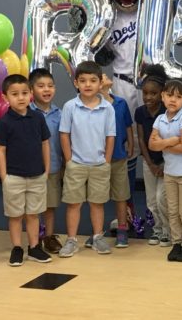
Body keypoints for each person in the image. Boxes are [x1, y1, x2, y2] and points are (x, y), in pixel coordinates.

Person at [57, 61, 116, 257]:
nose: (88, 85)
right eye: (83, 81)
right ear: (76, 83)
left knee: (97, 203)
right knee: (74, 203)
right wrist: (69, 160)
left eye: (93, 81)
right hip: (77, 164)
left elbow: (110, 136)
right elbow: (64, 134)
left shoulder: (108, 108)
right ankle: (72, 239)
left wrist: (106, 160)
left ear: (101, 84)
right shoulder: (70, 106)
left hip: (99, 164)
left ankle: (98, 237)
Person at [0, 74, 53, 267]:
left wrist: (46, 169)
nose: (21, 98)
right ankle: (17, 247)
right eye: (15, 94)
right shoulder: (4, 122)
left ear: (30, 94)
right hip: (14, 177)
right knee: (15, 215)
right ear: (5, 98)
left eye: (25, 93)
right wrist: (4, 176)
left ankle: (34, 247)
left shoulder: (37, 118)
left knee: (34, 214)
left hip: (37, 175)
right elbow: (1, 150)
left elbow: (45, 143)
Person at [149, 79, 182, 262]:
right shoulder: (160, 119)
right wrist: (170, 141)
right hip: (170, 172)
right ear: (163, 96)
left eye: (178, 97)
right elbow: (151, 145)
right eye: (169, 95)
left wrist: (162, 144)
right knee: (172, 210)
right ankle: (176, 242)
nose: (173, 100)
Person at [29, 68, 65, 254]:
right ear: (31, 89)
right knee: (32, 208)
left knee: (50, 205)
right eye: (41, 86)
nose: (46, 89)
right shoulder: (26, 113)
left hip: (53, 167)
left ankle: (49, 237)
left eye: (50, 86)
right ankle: (33, 241)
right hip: (31, 169)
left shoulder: (60, 114)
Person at [99, 73, 135, 249]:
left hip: (119, 155)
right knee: (96, 197)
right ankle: (97, 233)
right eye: (102, 76)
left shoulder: (120, 102)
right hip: (97, 157)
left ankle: (122, 229)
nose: (106, 76)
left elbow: (127, 125)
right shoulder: (93, 104)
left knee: (121, 195)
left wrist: (131, 143)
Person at [135, 65, 170, 247]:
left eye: (153, 94)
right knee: (150, 201)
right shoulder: (140, 112)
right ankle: (157, 230)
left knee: (161, 198)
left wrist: (162, 164)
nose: (148, 97)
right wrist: (150, 164)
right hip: (149, 162)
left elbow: (170, 138)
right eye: (145, 93)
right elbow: (141, 139)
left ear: (162, 94)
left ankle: (168, 230)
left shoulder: (167, 111)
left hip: (166, 161)